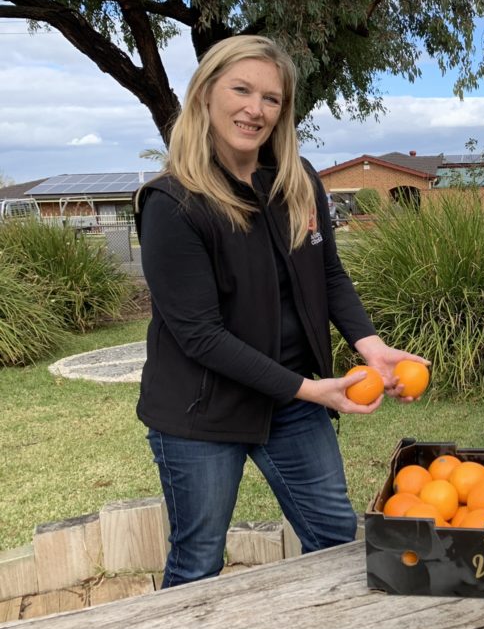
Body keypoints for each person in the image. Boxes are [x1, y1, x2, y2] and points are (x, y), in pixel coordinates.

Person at [135, 34, 427, 588]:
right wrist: (309, 389)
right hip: (202, 414)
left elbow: (329, 276)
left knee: (335, 541)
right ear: (205, 95)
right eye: (241, 90)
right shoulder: (173, 203)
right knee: (198, 561)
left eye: (272, 98)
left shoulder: (297, 180)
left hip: (293, 407)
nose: (256, 109)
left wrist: (371, 345)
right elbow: (200, 336)